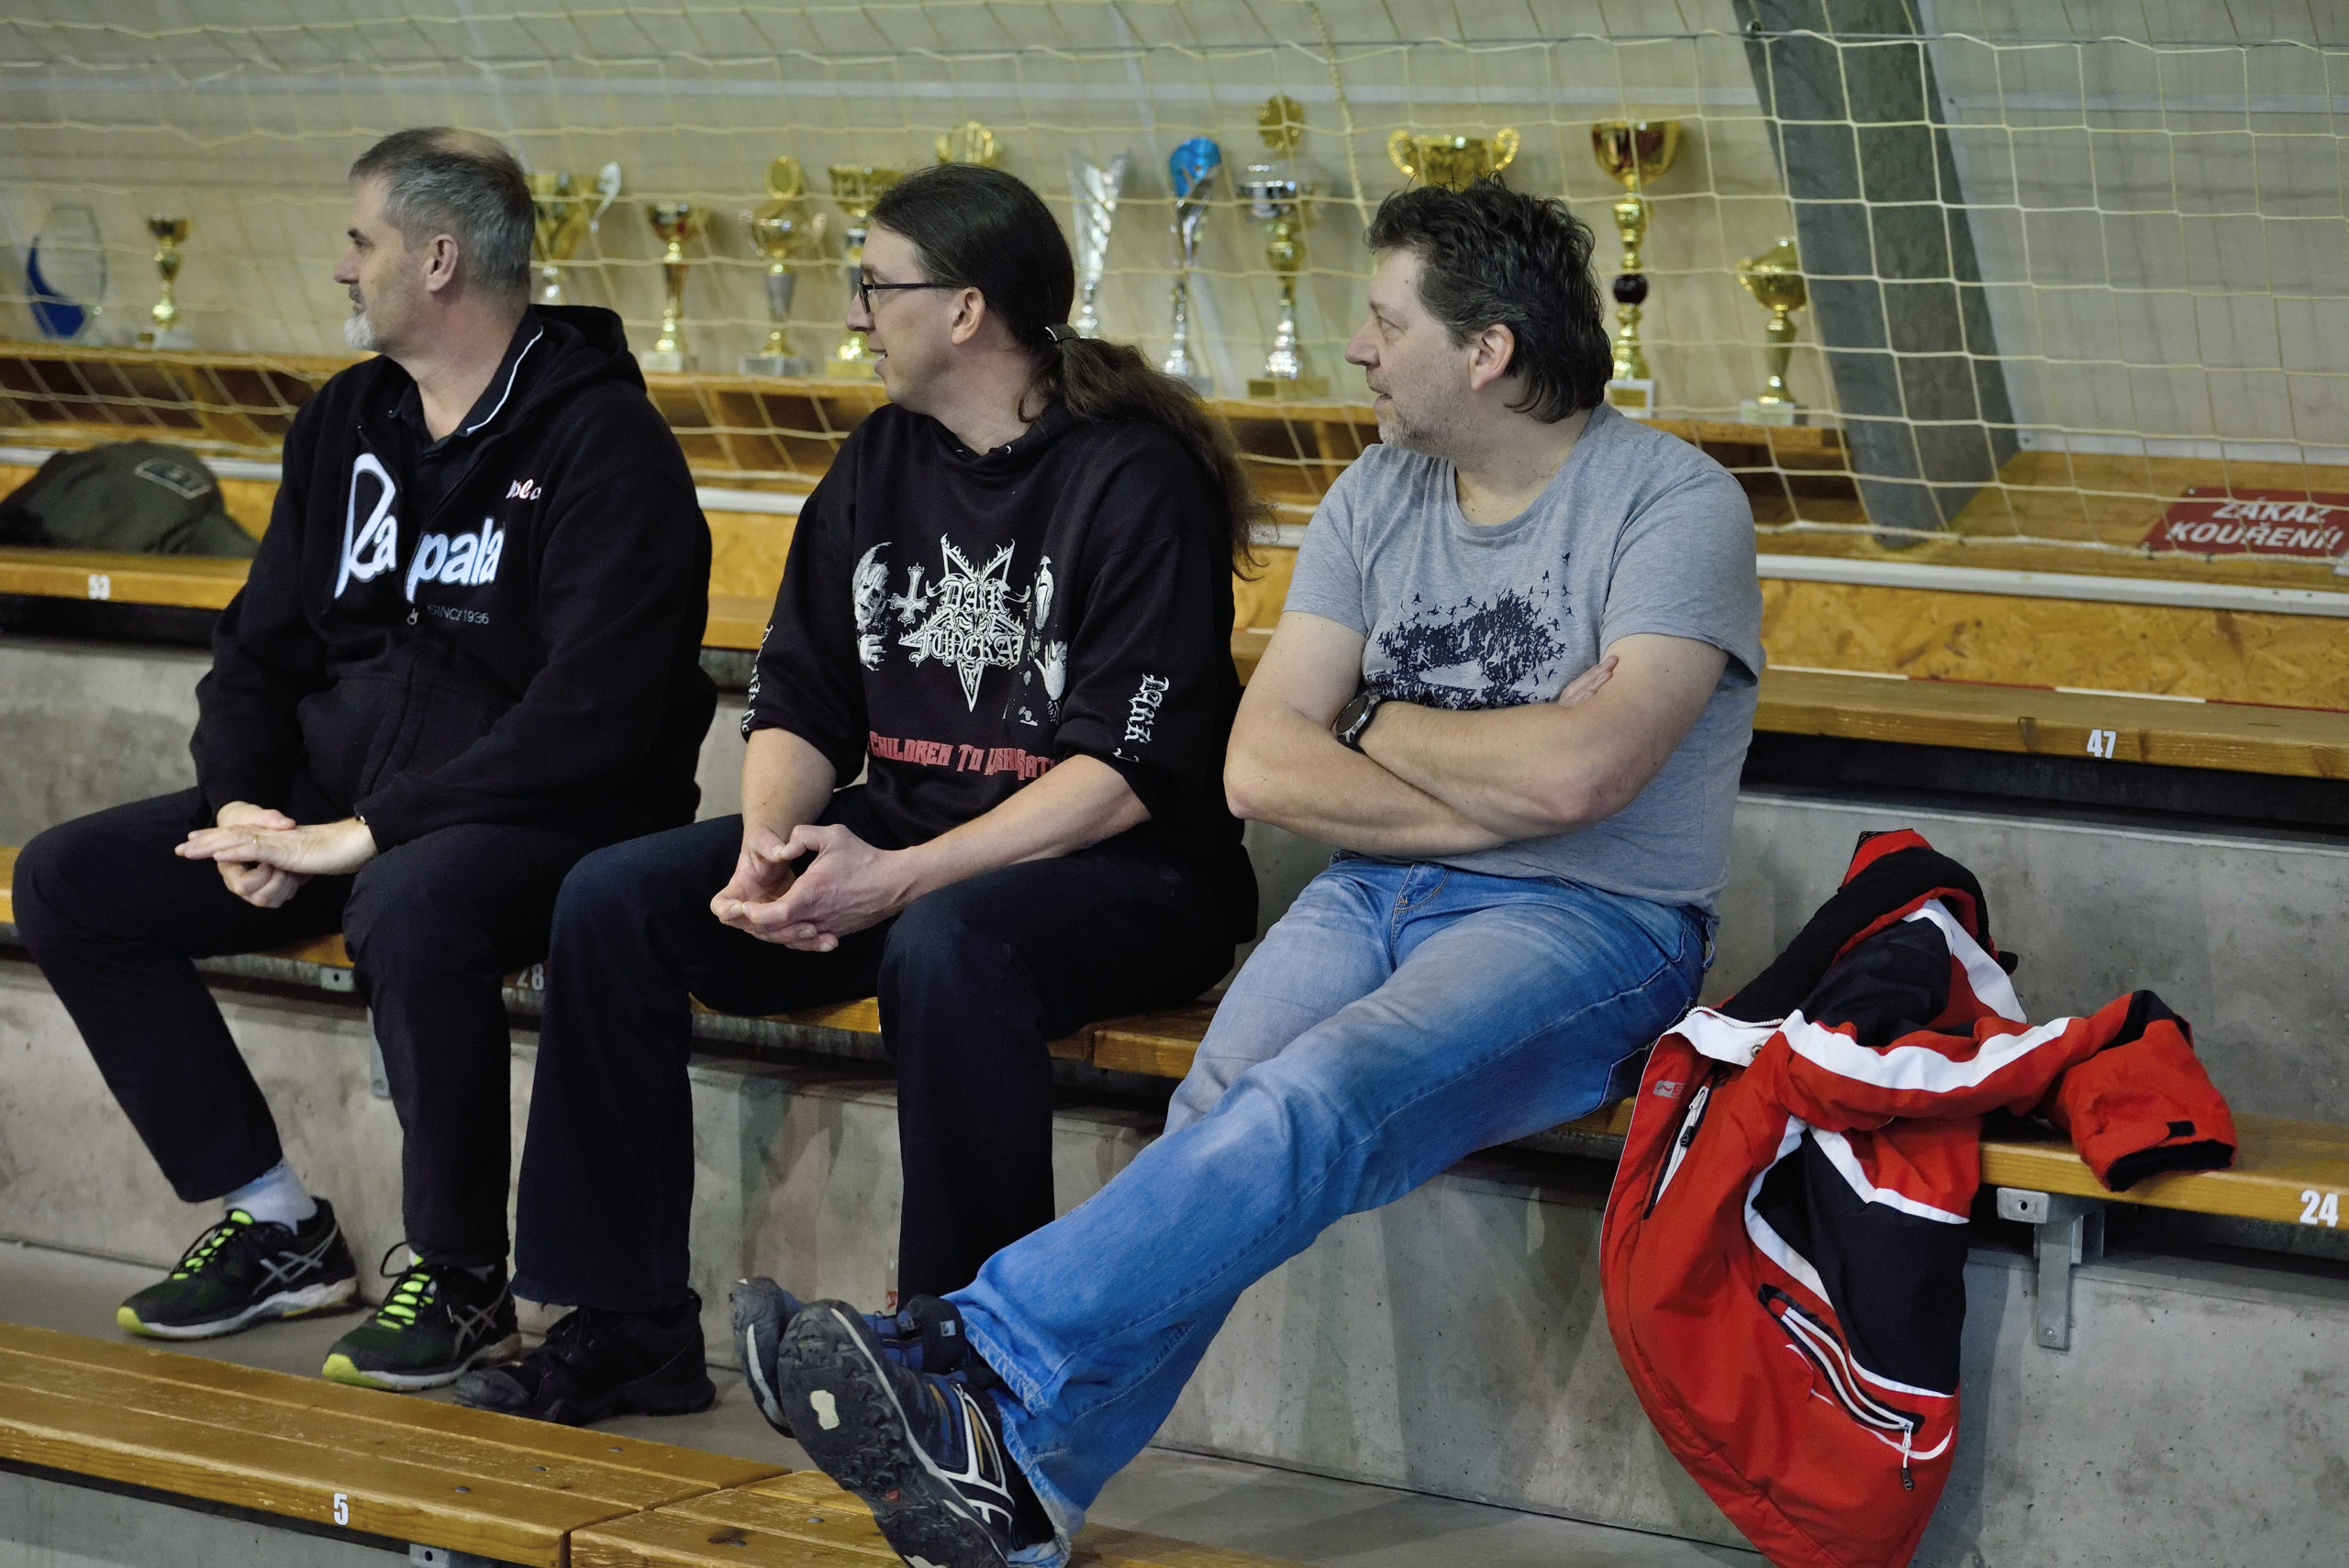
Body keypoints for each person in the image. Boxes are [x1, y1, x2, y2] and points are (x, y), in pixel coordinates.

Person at [741, 178, 1767, 1568]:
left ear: (1488, 350)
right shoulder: (1377, 490)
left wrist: (1376, 726)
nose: (1357, 347)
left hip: (1594, 921)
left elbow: (1586, 783)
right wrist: (1483, 765)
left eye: (1386, 320)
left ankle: (966, 1343)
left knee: (1312, 1099)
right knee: (1220, 1115)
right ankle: (1017, 1497)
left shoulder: (1674, 503)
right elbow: (1260, 767)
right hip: (1372, 890)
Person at [451, 162, 1261, 1425]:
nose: (853, 314)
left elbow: (1123, 773)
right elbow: (801, 693)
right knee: (613, 899)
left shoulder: (1133, 477)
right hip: (910, 839)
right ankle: (624, 1322)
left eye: (875, 287)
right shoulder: (881, 456)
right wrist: (767, 850)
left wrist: (898, 878)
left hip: (1127, 871)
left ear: (966, 309)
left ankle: (968, 1369)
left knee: (948, 946)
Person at [11, 128, 716, 1392]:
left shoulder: (604, 443)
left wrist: (369, 831)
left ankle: (460, 1275)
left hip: (556, 815)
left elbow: (591, 717)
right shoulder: (346, 418)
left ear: (438, 259)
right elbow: (259, 651)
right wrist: (245, 804)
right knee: (69, 878)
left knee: (411, 898)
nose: (344, 267)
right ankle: (276, 1222)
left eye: (360, 240)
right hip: (345, 803)